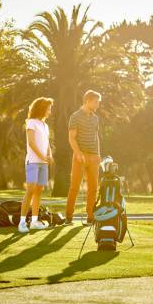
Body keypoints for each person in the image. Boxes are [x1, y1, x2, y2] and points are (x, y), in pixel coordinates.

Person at [65, 90, 102, 224]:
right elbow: (71, 138)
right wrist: (78, 153)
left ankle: (90, 217)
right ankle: (68, 217)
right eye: (96, 102)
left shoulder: (95, 118)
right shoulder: (75, 116)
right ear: (88, 101)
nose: (97, 105)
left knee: (93, 188)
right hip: (80, 156)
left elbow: (96, 137)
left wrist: (98, 154)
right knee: (74, 187)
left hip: (93, 157)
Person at [19, 97, 54, 233]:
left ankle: (34, 221)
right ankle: (22, 222)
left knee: (39, 191)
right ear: (42, 108)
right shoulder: (31, 123)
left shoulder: (45, 126)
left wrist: (49, 155)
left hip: (43, 163)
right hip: (33, 162)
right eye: (49, 109)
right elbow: (32, 143)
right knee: (31, 190)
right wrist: (43, 157)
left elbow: (47, 144)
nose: (50, 112)